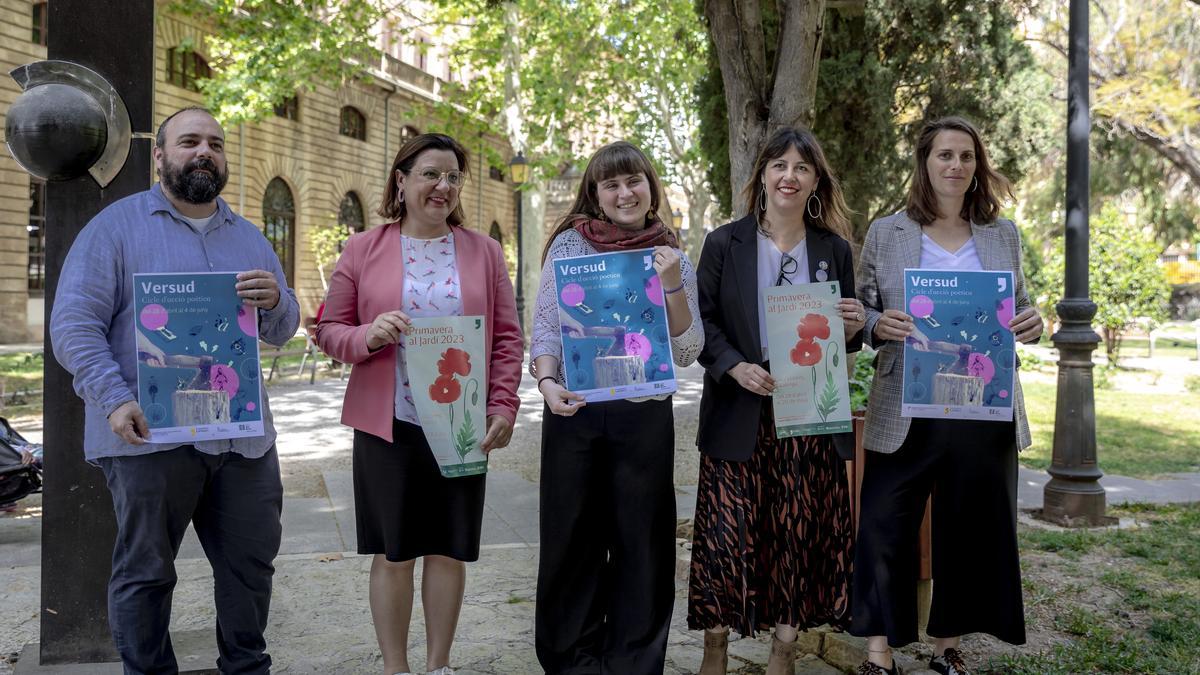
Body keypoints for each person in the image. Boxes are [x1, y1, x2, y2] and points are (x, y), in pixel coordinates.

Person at [50, 106, 300, 674]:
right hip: (148, 435)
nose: (204, 151)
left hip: (243, 441)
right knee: (146, 572)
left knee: (251, 566)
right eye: (189, 141)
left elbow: (282, 331)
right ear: (159, 155)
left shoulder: (252, 239)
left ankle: (245, 667)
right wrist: (113, 399)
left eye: (215, 142)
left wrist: (278, 302)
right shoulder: (114, 228)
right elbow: (72, 325)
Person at [314, 133, 522, 675]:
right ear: (401, 181)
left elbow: (506, 338)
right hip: (390, 422)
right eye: (431, 174)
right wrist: (370, 336)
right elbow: (329, 329)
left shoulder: (485, 251)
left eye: (453, 177)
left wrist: (502, 406)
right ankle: (395, 669)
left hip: (460, 421)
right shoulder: (363, 248)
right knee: (394, 552)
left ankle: (438, 666)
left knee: (449, 548)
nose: (443, 187)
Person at [850, 116, 1043, 675]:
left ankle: (946, 648)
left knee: (967, 526)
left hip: (983, 406)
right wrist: (875, 323)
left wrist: (1030, 324)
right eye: (944, 155)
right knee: (883, 521)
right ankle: (878, 653)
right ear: (925, 163)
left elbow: (1019, 306)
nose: (955, 165)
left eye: (965, 156)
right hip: (905, 405)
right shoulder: (888, 232)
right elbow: (859, 309)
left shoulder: (1002, 233)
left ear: (977, 166)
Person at [687, 126, 866, 675]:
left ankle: (782, 651)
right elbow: (703, 323)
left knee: (796, 532)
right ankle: (715, 645)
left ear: (815, 181)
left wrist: (857, 324)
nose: (789, 176)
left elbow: (847, 334)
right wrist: (734, 366)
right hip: (740, 409)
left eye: (802, 168)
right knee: (725, 536)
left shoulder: (834, 249)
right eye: (779, 165)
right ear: (762, 174)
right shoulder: (724, 242)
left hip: (808, 412)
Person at [531, 141, 702, 674]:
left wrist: (672, 286)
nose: (624, 192)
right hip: (575, 410)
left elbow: (688, 349)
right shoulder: (568, 248)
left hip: (643, 415)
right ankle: (571, 660)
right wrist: (546, 382)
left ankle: (633, 660)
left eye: (634, 181)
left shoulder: (672, 255)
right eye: (611, 184)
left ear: (651, 188)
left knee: (642, 542)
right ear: (596, 195)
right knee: (571, 539)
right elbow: (547, 328)